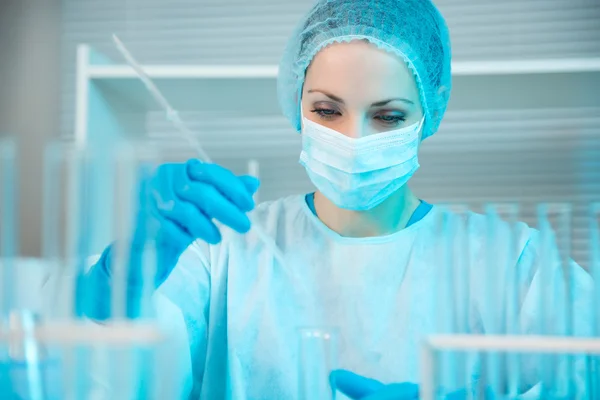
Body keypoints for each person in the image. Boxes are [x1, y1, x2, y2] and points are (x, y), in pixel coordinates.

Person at [83, 0, 594, 398]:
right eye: (328, 110)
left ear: (429, 114)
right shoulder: (220, 250)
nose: (353, 138)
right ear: (295, 103)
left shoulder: (512, 263)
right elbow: (99, 380)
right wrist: (122, 276)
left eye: (388, 117)